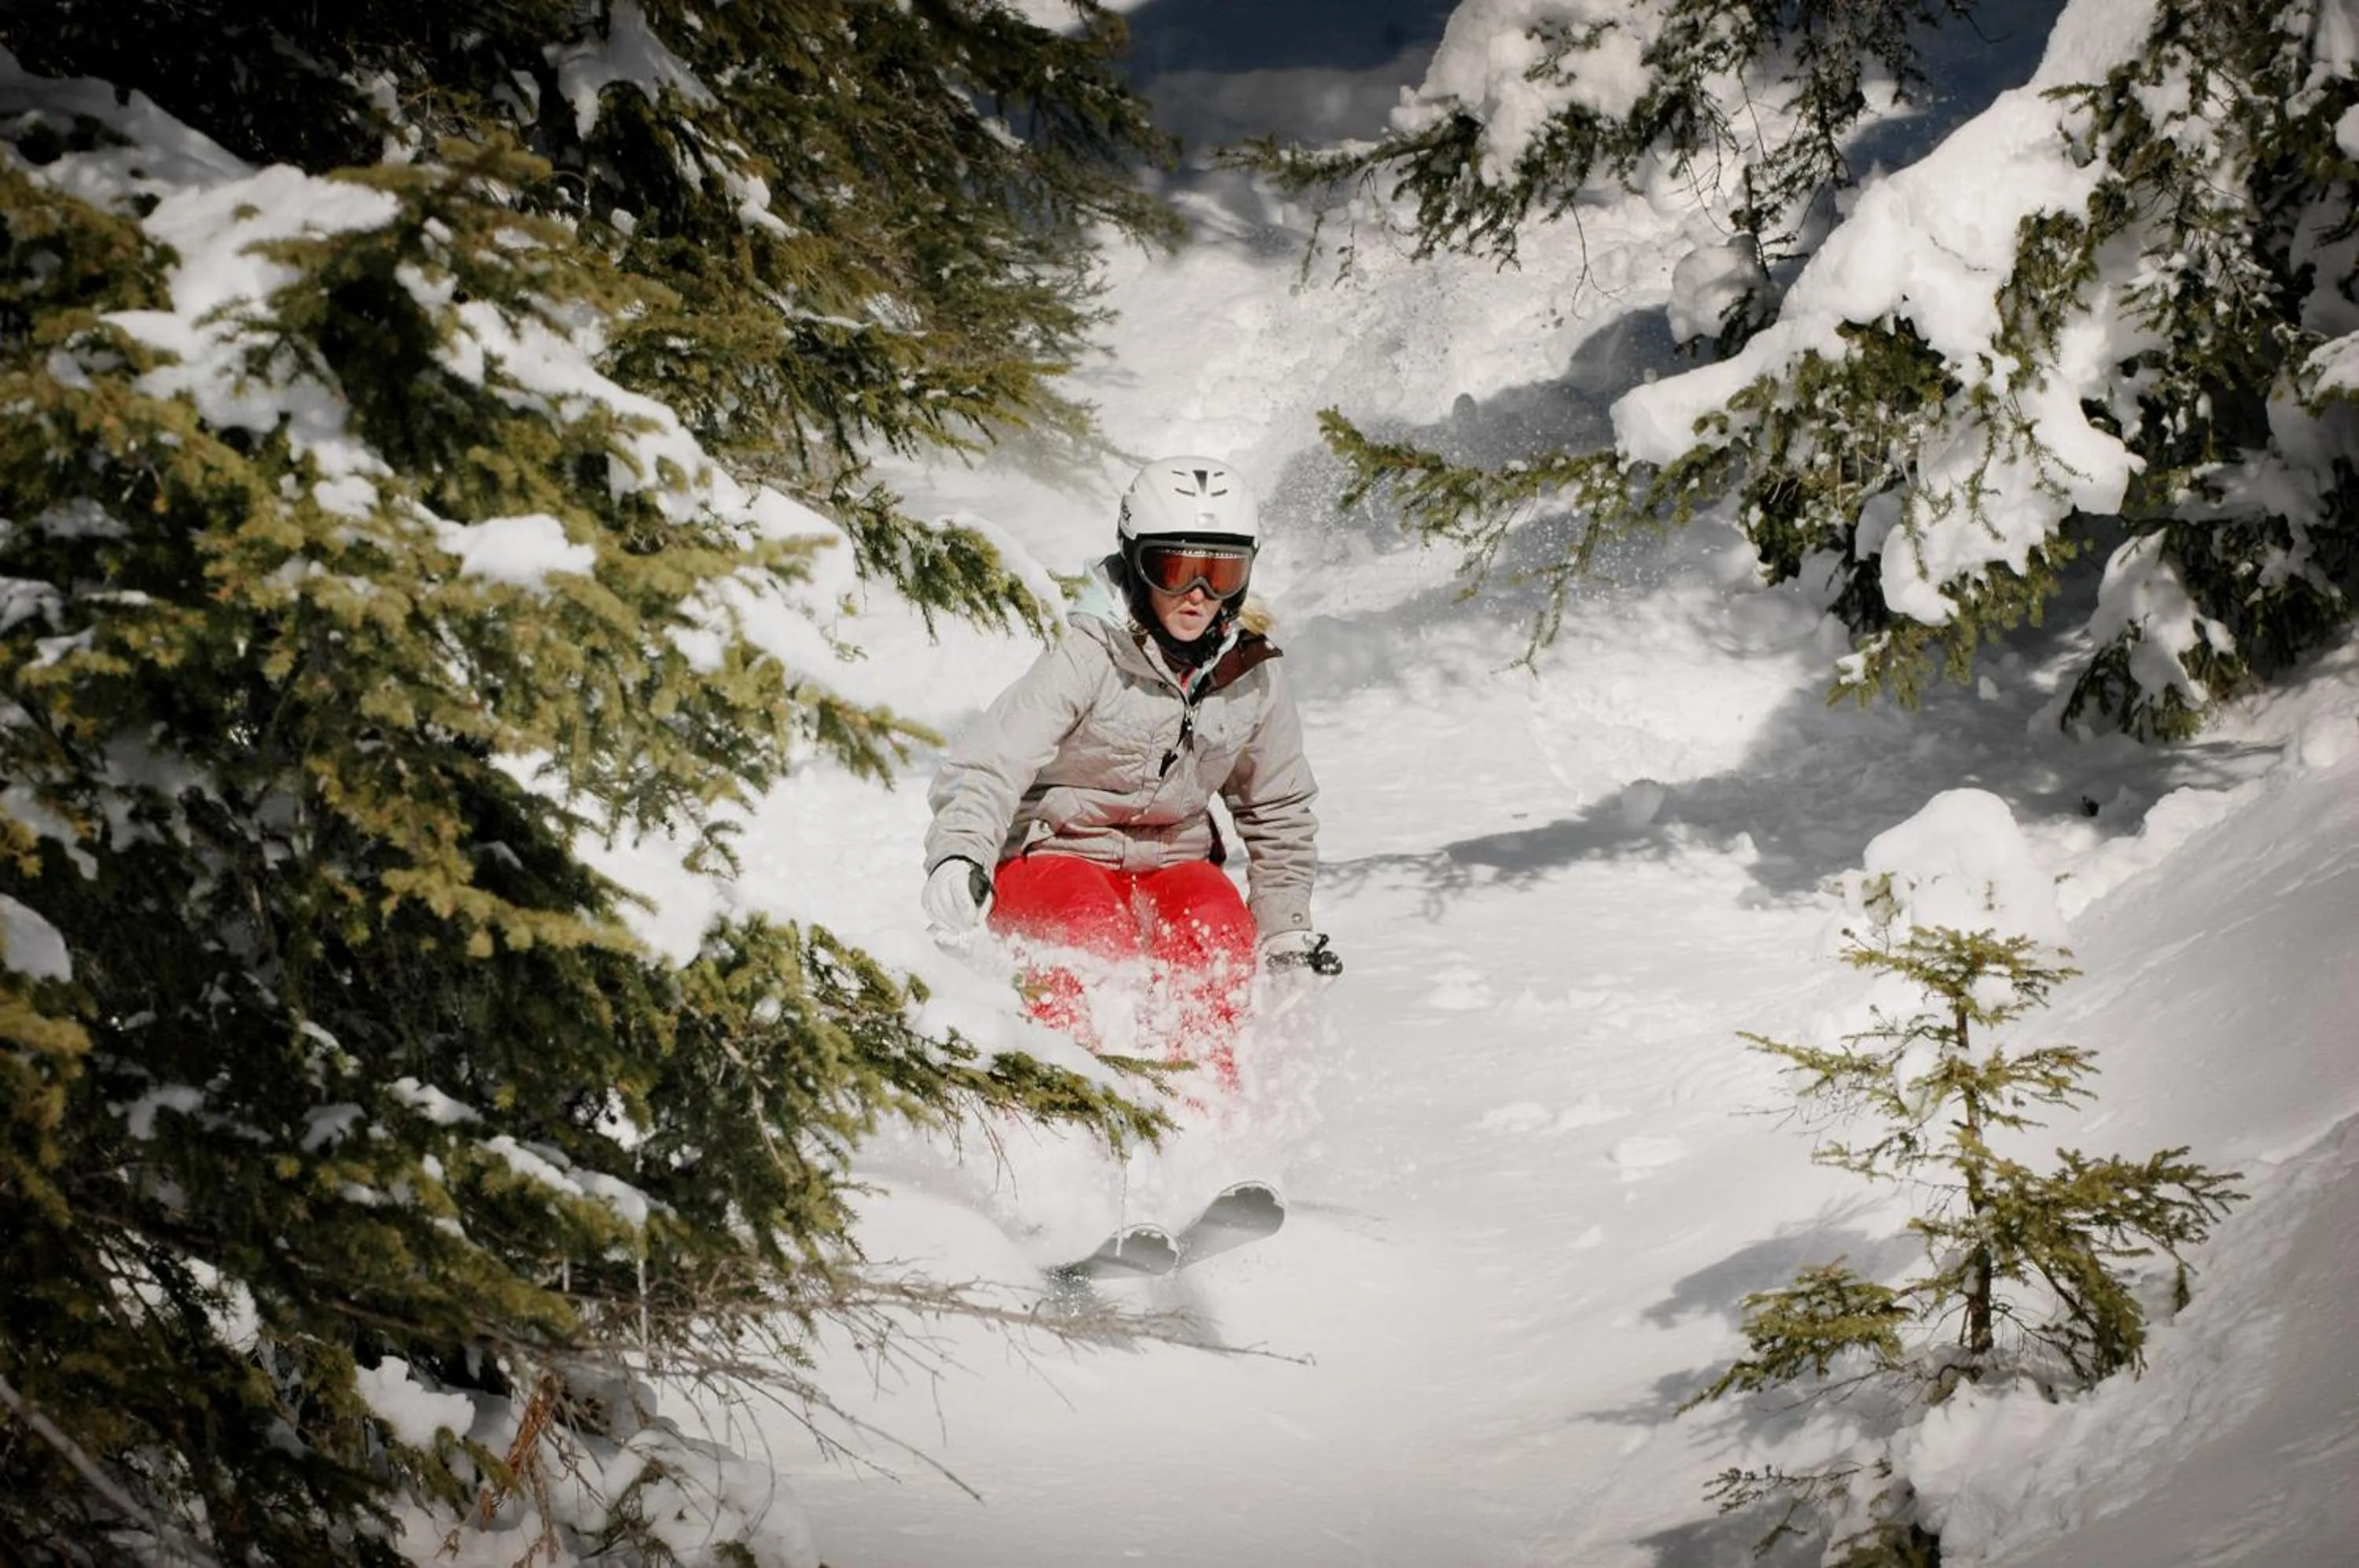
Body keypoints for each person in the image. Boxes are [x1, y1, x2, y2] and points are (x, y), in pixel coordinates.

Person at [921, 455, 1338, 1080]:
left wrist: (1285, 929)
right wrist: (960, 853)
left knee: (1217, 937)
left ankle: (1205, 1122)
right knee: (1091, 939)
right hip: (1055, 853)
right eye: (1175, 569)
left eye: (1221, 573)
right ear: (1138, 565)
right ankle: (1068, 1112)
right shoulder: (1089, 650)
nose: (1198, 595)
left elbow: (1275, 807)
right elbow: (993, 760)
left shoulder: (1252, 672)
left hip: (1175, 863)